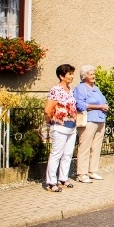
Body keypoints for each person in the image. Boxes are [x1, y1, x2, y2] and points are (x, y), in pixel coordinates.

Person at [43, 64, 78, 192]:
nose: (72, 76)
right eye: (69, 74)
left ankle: (63, 178)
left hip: (72, 127)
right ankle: (51, 182)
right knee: (56, 154)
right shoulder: (55, 90)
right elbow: (48, 110)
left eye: (72, 74)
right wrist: (52, 122)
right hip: (59, 126)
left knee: (68, 154)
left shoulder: (71, 89)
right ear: (61, 76)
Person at [73, 65, 108, 183]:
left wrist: (105, 107)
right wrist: (99, 107)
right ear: (84, 76)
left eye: (94, 74)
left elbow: (103, 101)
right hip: (89, 120)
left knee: (96, 147)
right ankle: (81, 174)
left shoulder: (96, 88)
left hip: (100, 119)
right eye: (91, 74)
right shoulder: (81, 88)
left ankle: (92, 171)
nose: (94, 76)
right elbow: (80, 105)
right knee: (85, 147)